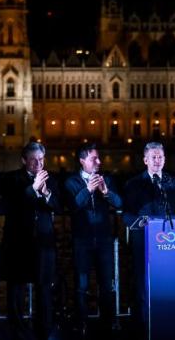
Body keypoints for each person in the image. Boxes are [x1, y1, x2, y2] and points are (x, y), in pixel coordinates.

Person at [0, 142, 60, 340]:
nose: (38, 163)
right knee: (16, 291)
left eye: (41, 159)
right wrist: (33, 189)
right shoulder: (10, 178)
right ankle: (17, 330)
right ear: (24, 160)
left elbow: (58, 205)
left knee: (44, 289)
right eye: (33, 159)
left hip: (43, 244)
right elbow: (10, 205)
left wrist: (47, 193)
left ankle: (45, 329)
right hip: (18, 243)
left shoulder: (52, 179)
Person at [122, 142, 175, 331]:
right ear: (145, 160)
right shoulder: (133, 184)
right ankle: (145, 323)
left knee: (168, 283)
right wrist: (140, 223)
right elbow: (127, 215)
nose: (157, 160)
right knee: (143, 284)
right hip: (144, 242)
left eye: (160, 157)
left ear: (165, 159)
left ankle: (170, 322)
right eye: (153, 157)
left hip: (171, 245)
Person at [64, 143, 122, 335]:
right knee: (81, 285)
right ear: (82, 161)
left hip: (104, 240)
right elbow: (73, 206)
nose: (99, 161)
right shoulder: (71, 182)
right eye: (93, 159)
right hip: (82, 241)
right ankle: (81, 322)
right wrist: (88, 189)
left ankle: (109, 321)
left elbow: (120, 203)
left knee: (107, 284)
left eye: (98, 158)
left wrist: (106, 192)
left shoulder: (108, 179)